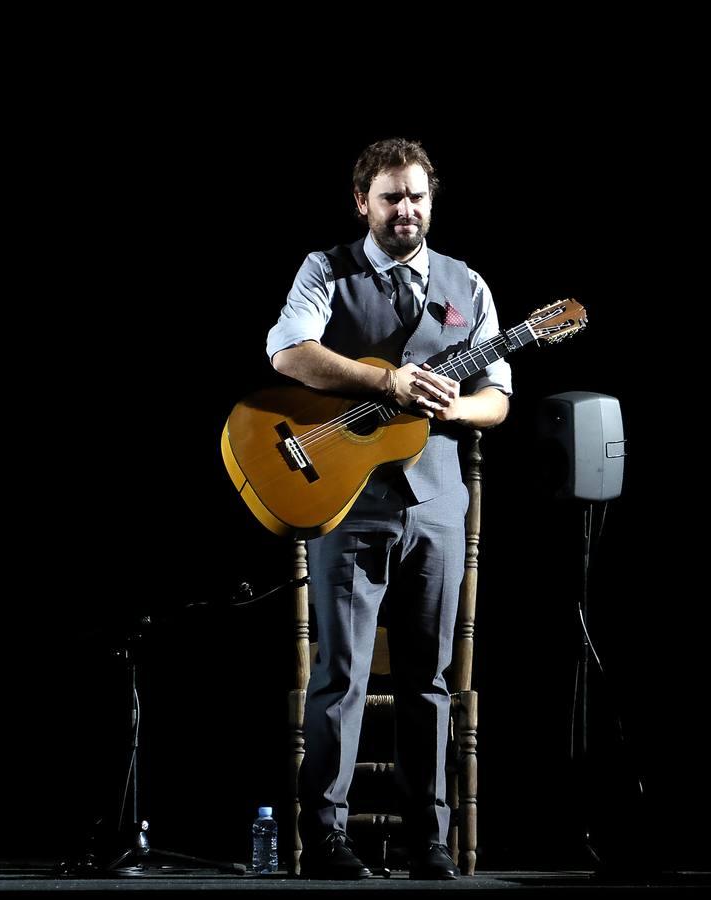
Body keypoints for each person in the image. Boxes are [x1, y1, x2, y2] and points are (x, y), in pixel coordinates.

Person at [266, 137, 512, 880]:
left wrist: (457, 404)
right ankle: (327, 839)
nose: (406, 210)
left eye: (417, 196)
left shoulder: (467, 284)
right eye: (390, 197)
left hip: (437, 500)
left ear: (431, 200)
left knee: (428, 678)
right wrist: (387, 386)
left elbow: (497, 396)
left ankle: (426, 840)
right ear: (362, 202)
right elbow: (287, 352)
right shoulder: (326, 270)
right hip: (348, 499)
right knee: (339, 671)